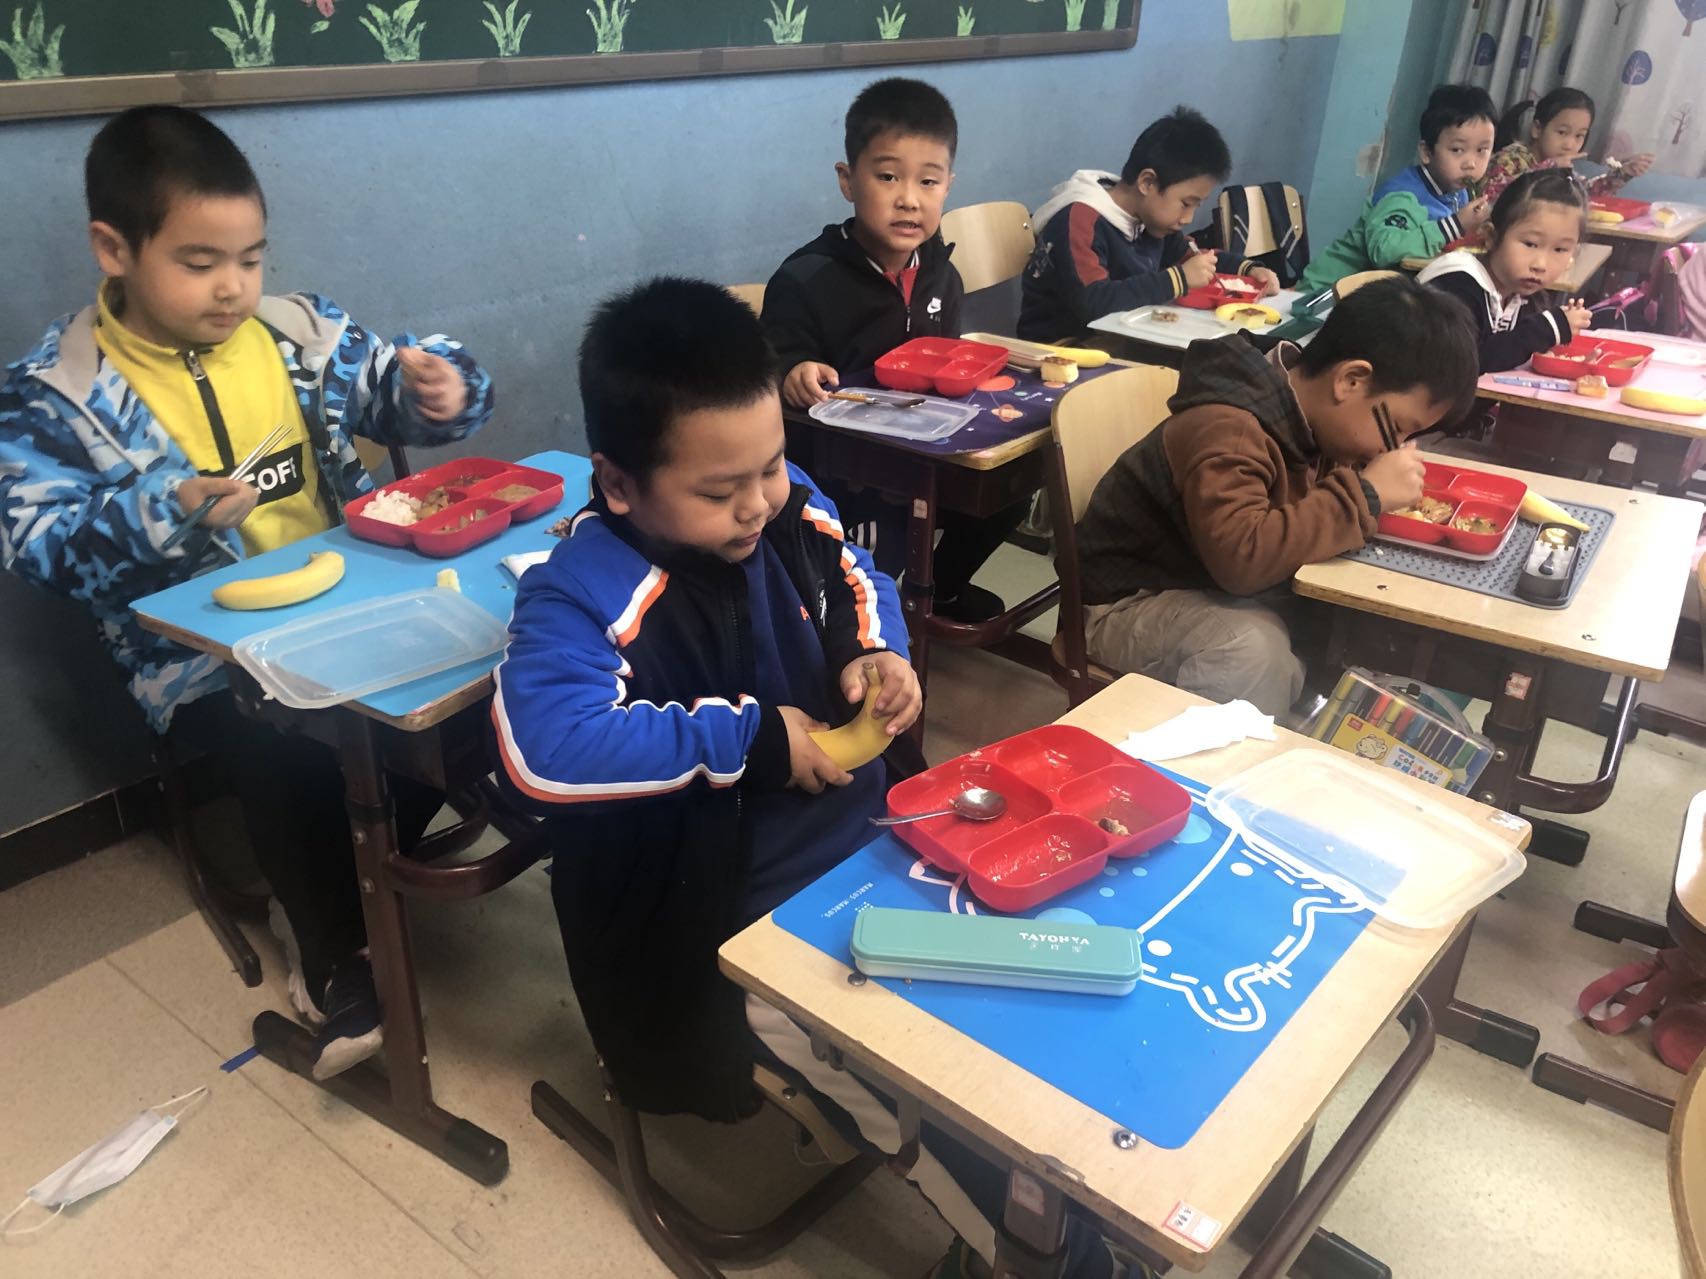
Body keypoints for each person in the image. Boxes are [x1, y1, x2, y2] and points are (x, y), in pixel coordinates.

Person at [494, 278, 1122, 1279]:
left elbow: (857, 575)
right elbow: (545, 745)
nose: (757, 502)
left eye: (771, 465)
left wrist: (875, 652)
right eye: (718, 491)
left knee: (1025, 1000)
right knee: (901, 1079)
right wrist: (753, 739)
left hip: (876, 843)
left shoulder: (782, 506)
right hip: (725, 921)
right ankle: (1038, 1255)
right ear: (616, 484)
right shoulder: (582, 592)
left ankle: (1072, 1179)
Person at [0, 105, 495, 1078]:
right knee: (278, 729)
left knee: (477, 673)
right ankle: (331, 947)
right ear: (114, 249)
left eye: (251, 258)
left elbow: (387, 387)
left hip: (357, 595)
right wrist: (166, 510)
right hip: (197, 655)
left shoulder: (296, 333)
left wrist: (440, 389)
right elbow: (37, 545)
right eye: (199, 262)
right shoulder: (53, 395)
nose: (233, 286)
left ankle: (361, 862)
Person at [1073, 277, 1479, 716]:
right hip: (1127, 604)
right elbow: (1242, 559)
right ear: (1351, 380)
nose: (1393, 448)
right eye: (1396, 429)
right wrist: (1365, 495)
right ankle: (1229, 757)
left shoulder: (1320, 422)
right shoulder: (1228, 427)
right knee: (1252, 653)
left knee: (1365, 624)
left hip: (1207, 587)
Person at [762, 77, 1023, 624]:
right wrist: (793, 372)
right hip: (847, 478)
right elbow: (768, 373)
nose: (909, 198)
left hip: (924, 454)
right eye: (888, 177)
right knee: (875, 548)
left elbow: (946, 363)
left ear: (948, 185)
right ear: (847, 180)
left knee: (1011, 489)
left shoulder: (941, 275)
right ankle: (857, 625)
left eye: (928, 181)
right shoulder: (806, 279)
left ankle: (938, 590)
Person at [1018, 105, 1278, 340]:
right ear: (1147, 183)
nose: (1188, 218)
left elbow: (1193, 258)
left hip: (1121, 336)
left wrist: (1247, 269)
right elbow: (1093, 302)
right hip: (1063, 347)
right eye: (1186, 203)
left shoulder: (1151, 221)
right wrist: (1177, 279)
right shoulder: (1080, 220)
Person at [1295, 84, 1499, 297]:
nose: (1471, 163)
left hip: (1373, 299)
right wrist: (1454, 225)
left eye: (1482, 150)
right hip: (1324, 296)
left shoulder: (1460, 194)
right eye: (1457, 149)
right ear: (1426, 152)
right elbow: (1383, 251)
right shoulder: (1402, 196)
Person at [1418, 170, 1594, 371]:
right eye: (1530, 244)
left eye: (1560, 249)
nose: (1541, 264)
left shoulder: (1523, 294)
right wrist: (1547, 329)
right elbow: (1464, 363)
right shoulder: (1455, 284)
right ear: (1490, 236)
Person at [1480, 86, 1654, 208]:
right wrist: (1547, 169)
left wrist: (1622, 174)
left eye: (1579, 136)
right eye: (1562, 132)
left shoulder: (1560, 167)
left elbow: (1585, 193)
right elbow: (1492, 196)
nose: (1570, 144)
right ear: (1537, 129)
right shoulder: (1511, 158)